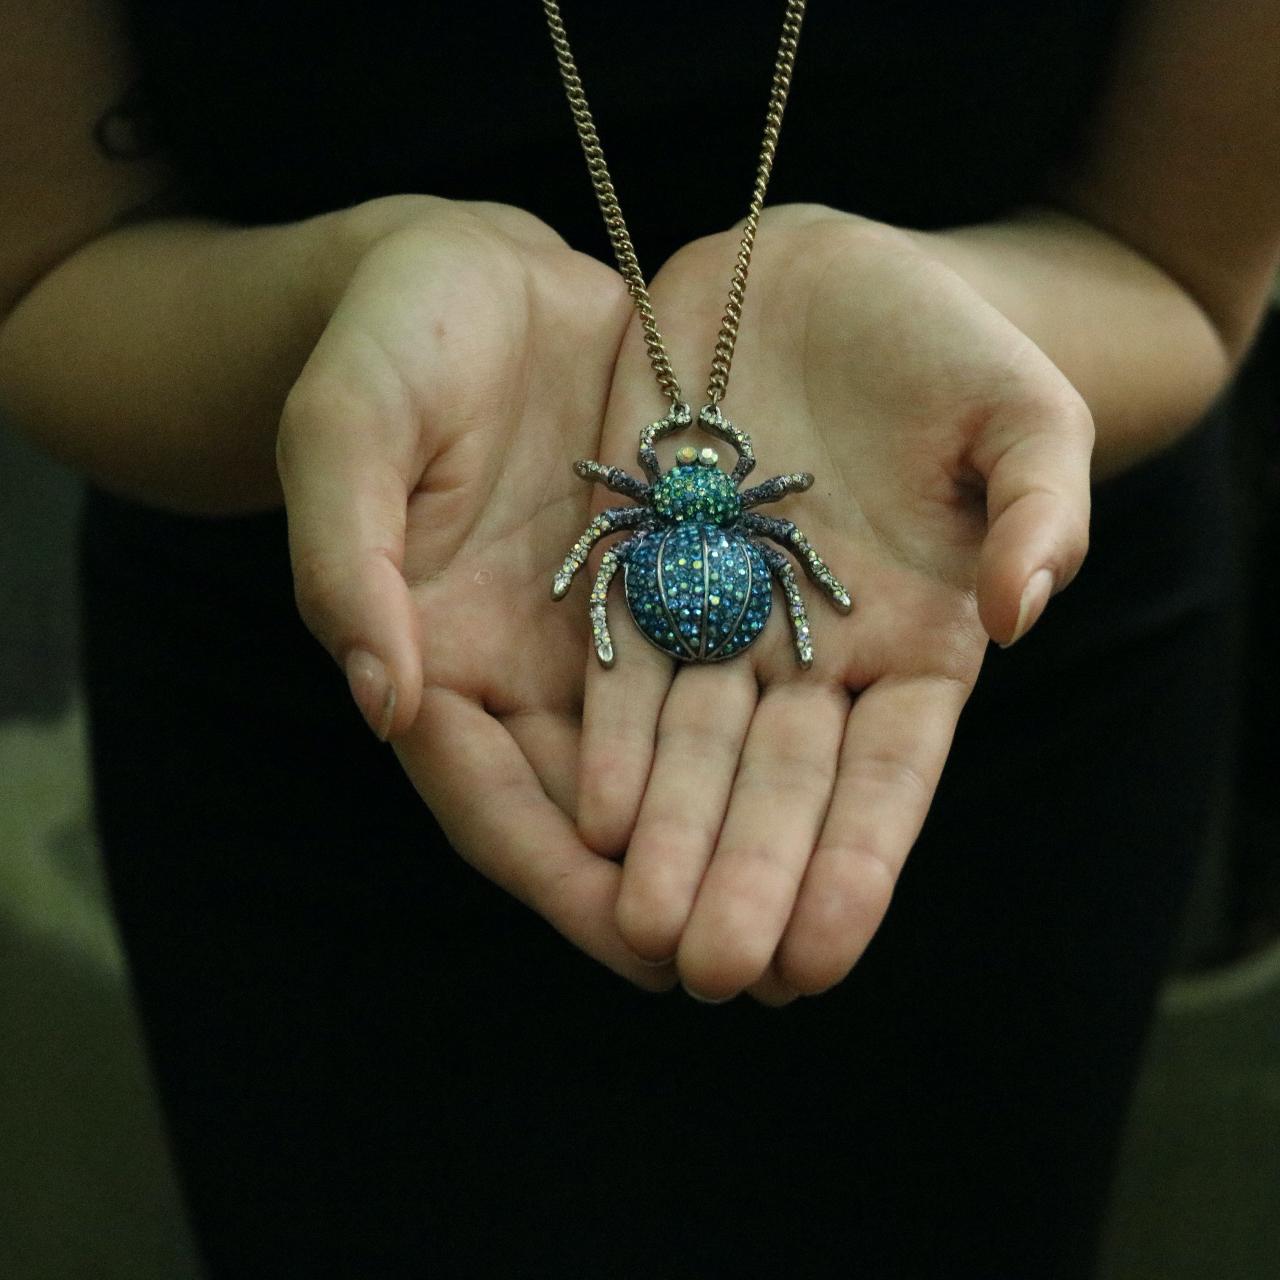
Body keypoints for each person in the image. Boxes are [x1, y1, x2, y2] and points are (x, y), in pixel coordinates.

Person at [2, 0, 1276, 1275]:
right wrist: (331, 306)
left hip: (976, 637)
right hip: (333, 663)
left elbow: (1178, 260)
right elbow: (42, 268)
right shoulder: (690, 521)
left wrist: (726, 585)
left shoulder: (656, 520)